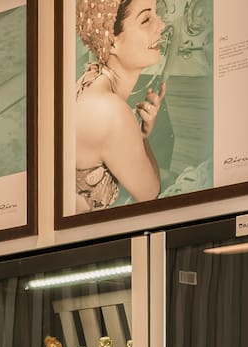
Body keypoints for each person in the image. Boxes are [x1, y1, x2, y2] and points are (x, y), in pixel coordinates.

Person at [70, 0, 168, 211]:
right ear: (112, 42)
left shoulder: (89, 79)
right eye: (146, 20)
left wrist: (138, 135)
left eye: (156, 14)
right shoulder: (111, 113)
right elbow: (150, 194)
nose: (162, 25)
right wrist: (140, 138)